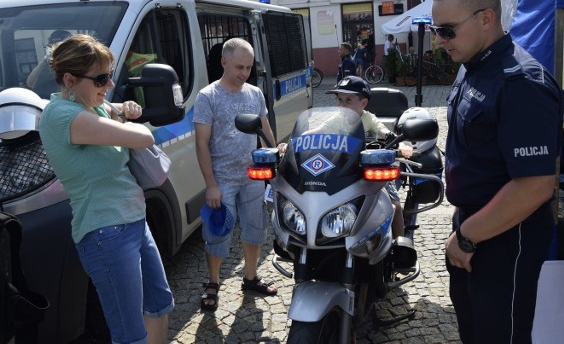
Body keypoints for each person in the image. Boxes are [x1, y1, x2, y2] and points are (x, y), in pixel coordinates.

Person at [434, 0, 563, 343]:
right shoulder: (473, 67)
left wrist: (468, 237)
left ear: (486, 18)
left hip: (506, 236)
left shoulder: (520, 81)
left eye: (448, 30)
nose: (440, 41)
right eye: (435, 30)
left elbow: (535, 186)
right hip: (474, 225)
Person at [39, 34, 173, 344]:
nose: (109, 85)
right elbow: (144, 138)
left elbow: (111, 107)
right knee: (130, 334)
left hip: (133, 220)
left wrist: (120, 107)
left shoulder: (89, 105)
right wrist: (126, 121)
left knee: (160, 303)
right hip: (105, 233)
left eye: (109, 76)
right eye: (101, 78)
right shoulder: (62, 117)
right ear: (70, 79)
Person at [193, 37, 277, 313]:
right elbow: (201, 143)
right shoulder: (208, 96)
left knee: (255, 228)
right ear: (223, 62)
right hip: (222, 180)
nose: (244, 73)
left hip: (252, 176)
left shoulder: (254, 94)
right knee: (217, 233)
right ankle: (213, 283)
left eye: (249, 67)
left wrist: (273, 161)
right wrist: (211, 185)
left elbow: (264, 132)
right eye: (239, 67)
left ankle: (250, 278)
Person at [278, 76, 412, 238]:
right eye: (339, 100)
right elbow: (315, 132)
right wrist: (293, 144)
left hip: (364, 165)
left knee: (395, 206)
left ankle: (400, 244)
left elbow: (381, 130)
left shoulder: (367, 118)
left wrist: (400, 144)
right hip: (342, 169)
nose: (342, 105)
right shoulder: (337, 119)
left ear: (363, 103)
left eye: (348, 100)